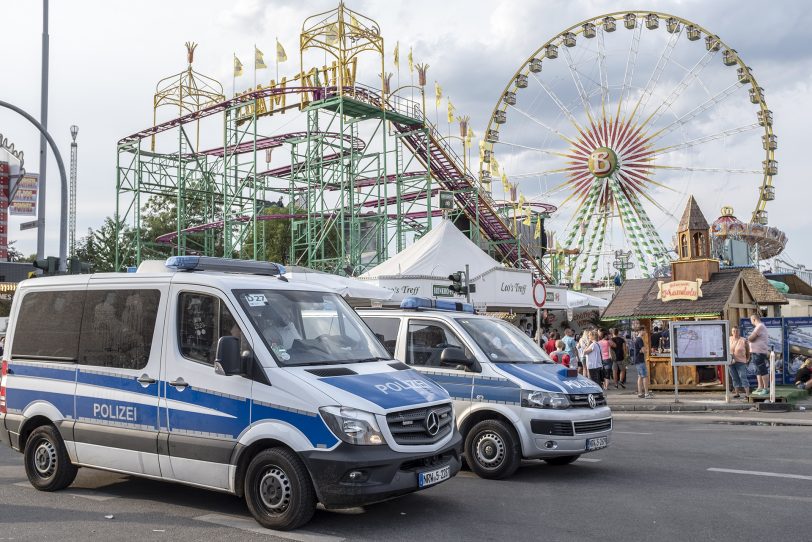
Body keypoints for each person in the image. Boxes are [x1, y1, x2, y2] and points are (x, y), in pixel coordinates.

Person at [747, 313, 770, 396]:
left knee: (762, 369)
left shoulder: (759, 326)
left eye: (751, 321)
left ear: (754, 319)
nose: (751, 322)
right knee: (758, 370)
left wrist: (749, 339)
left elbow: (751, 338)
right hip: (756, 351)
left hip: (759, 352)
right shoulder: (760, 326)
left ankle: (765, 388)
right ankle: (760, 387)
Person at [728, 326, 750, 399]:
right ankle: (737, 393)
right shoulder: (729, 339)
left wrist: (747, 359)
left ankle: (747, 394)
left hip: (741, 362)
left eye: (737, 331)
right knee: (734, 377)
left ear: (739, 332)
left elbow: (748, 351)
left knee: (743, 377)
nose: (735, 333)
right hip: (731, 362)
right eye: (733, 331)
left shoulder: (744, 340)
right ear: (731, 332)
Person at [631, 330, 653, 399]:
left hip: (637, 360)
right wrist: (645, 350)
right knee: (645, 376)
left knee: (640, 376)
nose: (645, 332)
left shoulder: (636, 339)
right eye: (644, 331)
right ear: (641, 331)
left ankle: (640, 393)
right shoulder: (640, 339)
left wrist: (642, 350)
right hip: (640, 360)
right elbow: (643, 350)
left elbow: (640, 350)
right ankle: (646, 393)